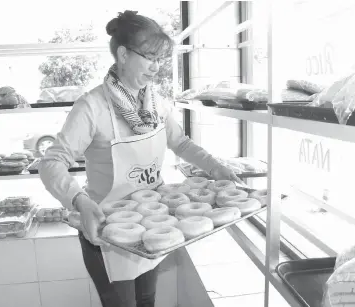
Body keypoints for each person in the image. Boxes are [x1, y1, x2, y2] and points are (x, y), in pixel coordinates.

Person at [38, 10, 241, 307]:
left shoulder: (154, 102)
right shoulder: (92, 107)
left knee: (147, 300)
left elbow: (180, 142)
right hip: (106, 230)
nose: (156, 67)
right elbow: (51, 162)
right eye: (150, 57)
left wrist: (215, 166)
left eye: (160, 59)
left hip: (151, 224)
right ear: (122, 54)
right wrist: (80, 201)